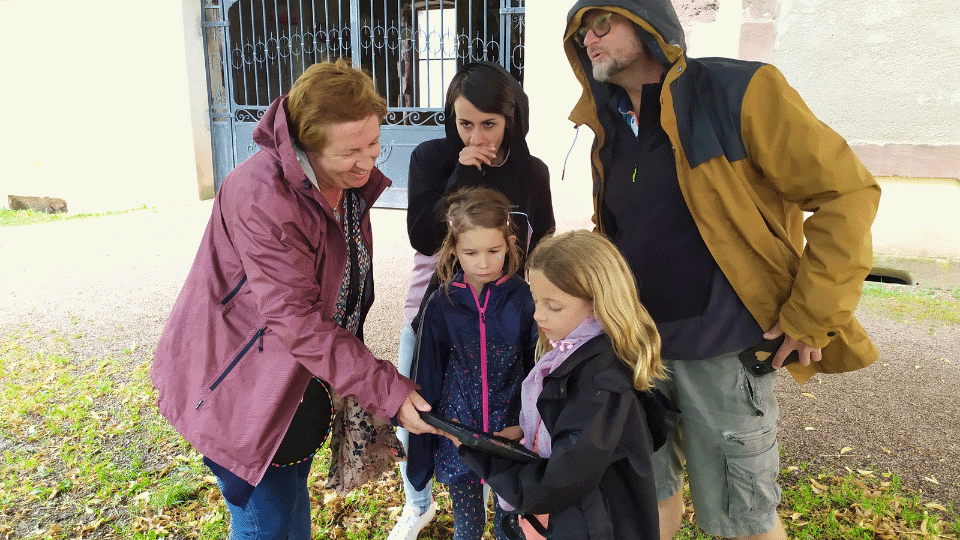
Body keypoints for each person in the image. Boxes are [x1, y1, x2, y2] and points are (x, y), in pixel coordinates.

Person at [562, 2, 881, 539]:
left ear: (648, 22)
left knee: (743, 522)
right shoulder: (608, 125)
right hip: (636, 353)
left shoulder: (739, 92)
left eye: (600, 23)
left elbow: (847, 193)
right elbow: (619, 231)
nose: (588, 40)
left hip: (724, 353)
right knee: (645, 503)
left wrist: (812, 315)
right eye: (579, 32)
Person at [150, 59, 437, 539]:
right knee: (266, 522)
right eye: (350, 151)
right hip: (241, 385)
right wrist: (384, 388)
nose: (367, 162)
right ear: (306, 145)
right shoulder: (261, 195)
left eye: (373, 143)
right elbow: (296, 319)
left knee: (287, 506)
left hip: (295, 379)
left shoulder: (344, 183)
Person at [390, 61, 555, 540]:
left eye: (489, 124)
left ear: (511, 119)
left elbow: (543, 243)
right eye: (465, 123)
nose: (476, 136)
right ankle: (417, 504)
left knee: (504, 413)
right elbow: (424, 237)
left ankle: (499, 497)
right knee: (417, 415)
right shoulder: (432, 158)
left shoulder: (532, 172)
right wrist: (459, 175)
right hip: (437, 313)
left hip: (507, 318)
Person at [451, 230, 679, 540]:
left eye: (553, 306)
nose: (538, 315)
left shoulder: (602, 384)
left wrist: (479, 453)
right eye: (535, 300)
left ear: (598, 303)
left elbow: (555, 484)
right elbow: (575, 433)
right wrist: (531, 430)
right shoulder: (574, 354)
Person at [406, 187, 538, 540]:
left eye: (494, 251)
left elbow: (537, 368)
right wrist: (432, 436)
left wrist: (527, 423)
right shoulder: (441, 304)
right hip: (459, 437)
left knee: (511, 525)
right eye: (470, 252)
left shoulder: (525, 300)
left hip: (511, 436)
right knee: (467, 527)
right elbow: (427, 374)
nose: (483, 263)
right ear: (453, 250)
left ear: (510, 244)